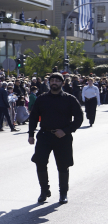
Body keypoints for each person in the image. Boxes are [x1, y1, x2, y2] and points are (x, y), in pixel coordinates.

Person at [28, 73, 84, 204]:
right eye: (52, 80)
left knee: (63, 166)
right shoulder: (41, 99)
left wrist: (65, 131)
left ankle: (63, 193)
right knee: (40, 162)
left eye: (57, 81)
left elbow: (79, 118)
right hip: (44, 136)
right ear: (49, 83)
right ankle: (44, 191)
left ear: (62, 83)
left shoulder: (70, 99)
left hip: (62, 137)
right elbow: (34, 117)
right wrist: (31, 134)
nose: (54, 82)